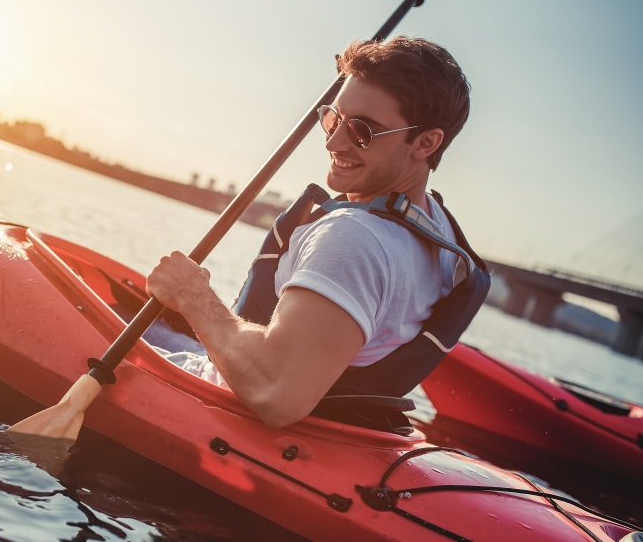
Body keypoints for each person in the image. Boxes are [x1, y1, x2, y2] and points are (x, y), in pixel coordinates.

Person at [146, 36, 484, 429]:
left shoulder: (353, 238)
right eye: (333, 118)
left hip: (223, 405)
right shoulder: (437, 226)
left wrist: (192, 295)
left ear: (426, 142)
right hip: (331, 419)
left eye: (362, 131)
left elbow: (278, 394)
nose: (333, 140)